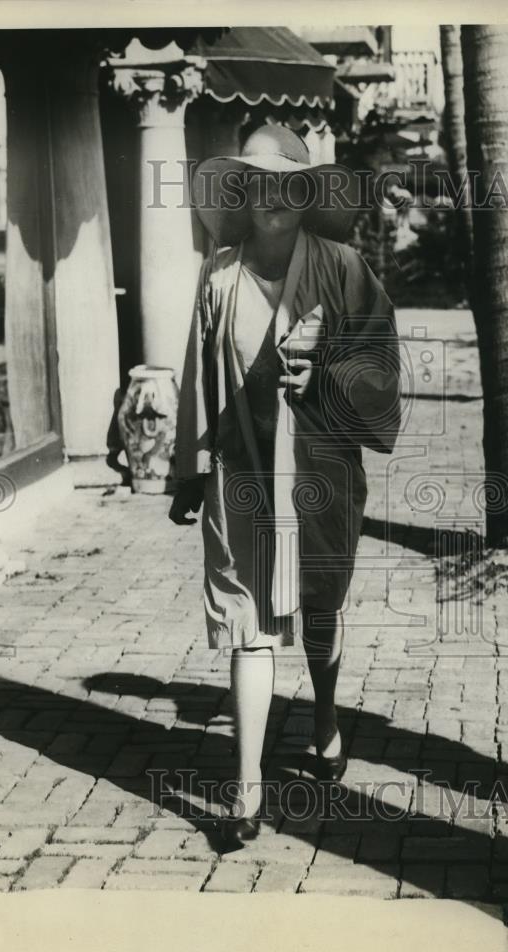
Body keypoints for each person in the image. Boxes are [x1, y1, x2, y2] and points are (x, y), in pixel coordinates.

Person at [169, 125, 401, 847]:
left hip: (321, 471)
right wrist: (186, 471)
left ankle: (325, 716)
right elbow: (195, 381)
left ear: (307, 194)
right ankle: (245, 788)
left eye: (286, 184)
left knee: (319, 606)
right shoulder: (218, 276)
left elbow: (382, 367)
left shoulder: (343, 267)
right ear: (241, 196)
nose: (272, 196)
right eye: (256, 183)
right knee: (248, 619)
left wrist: (325, 378)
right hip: (240, 477)